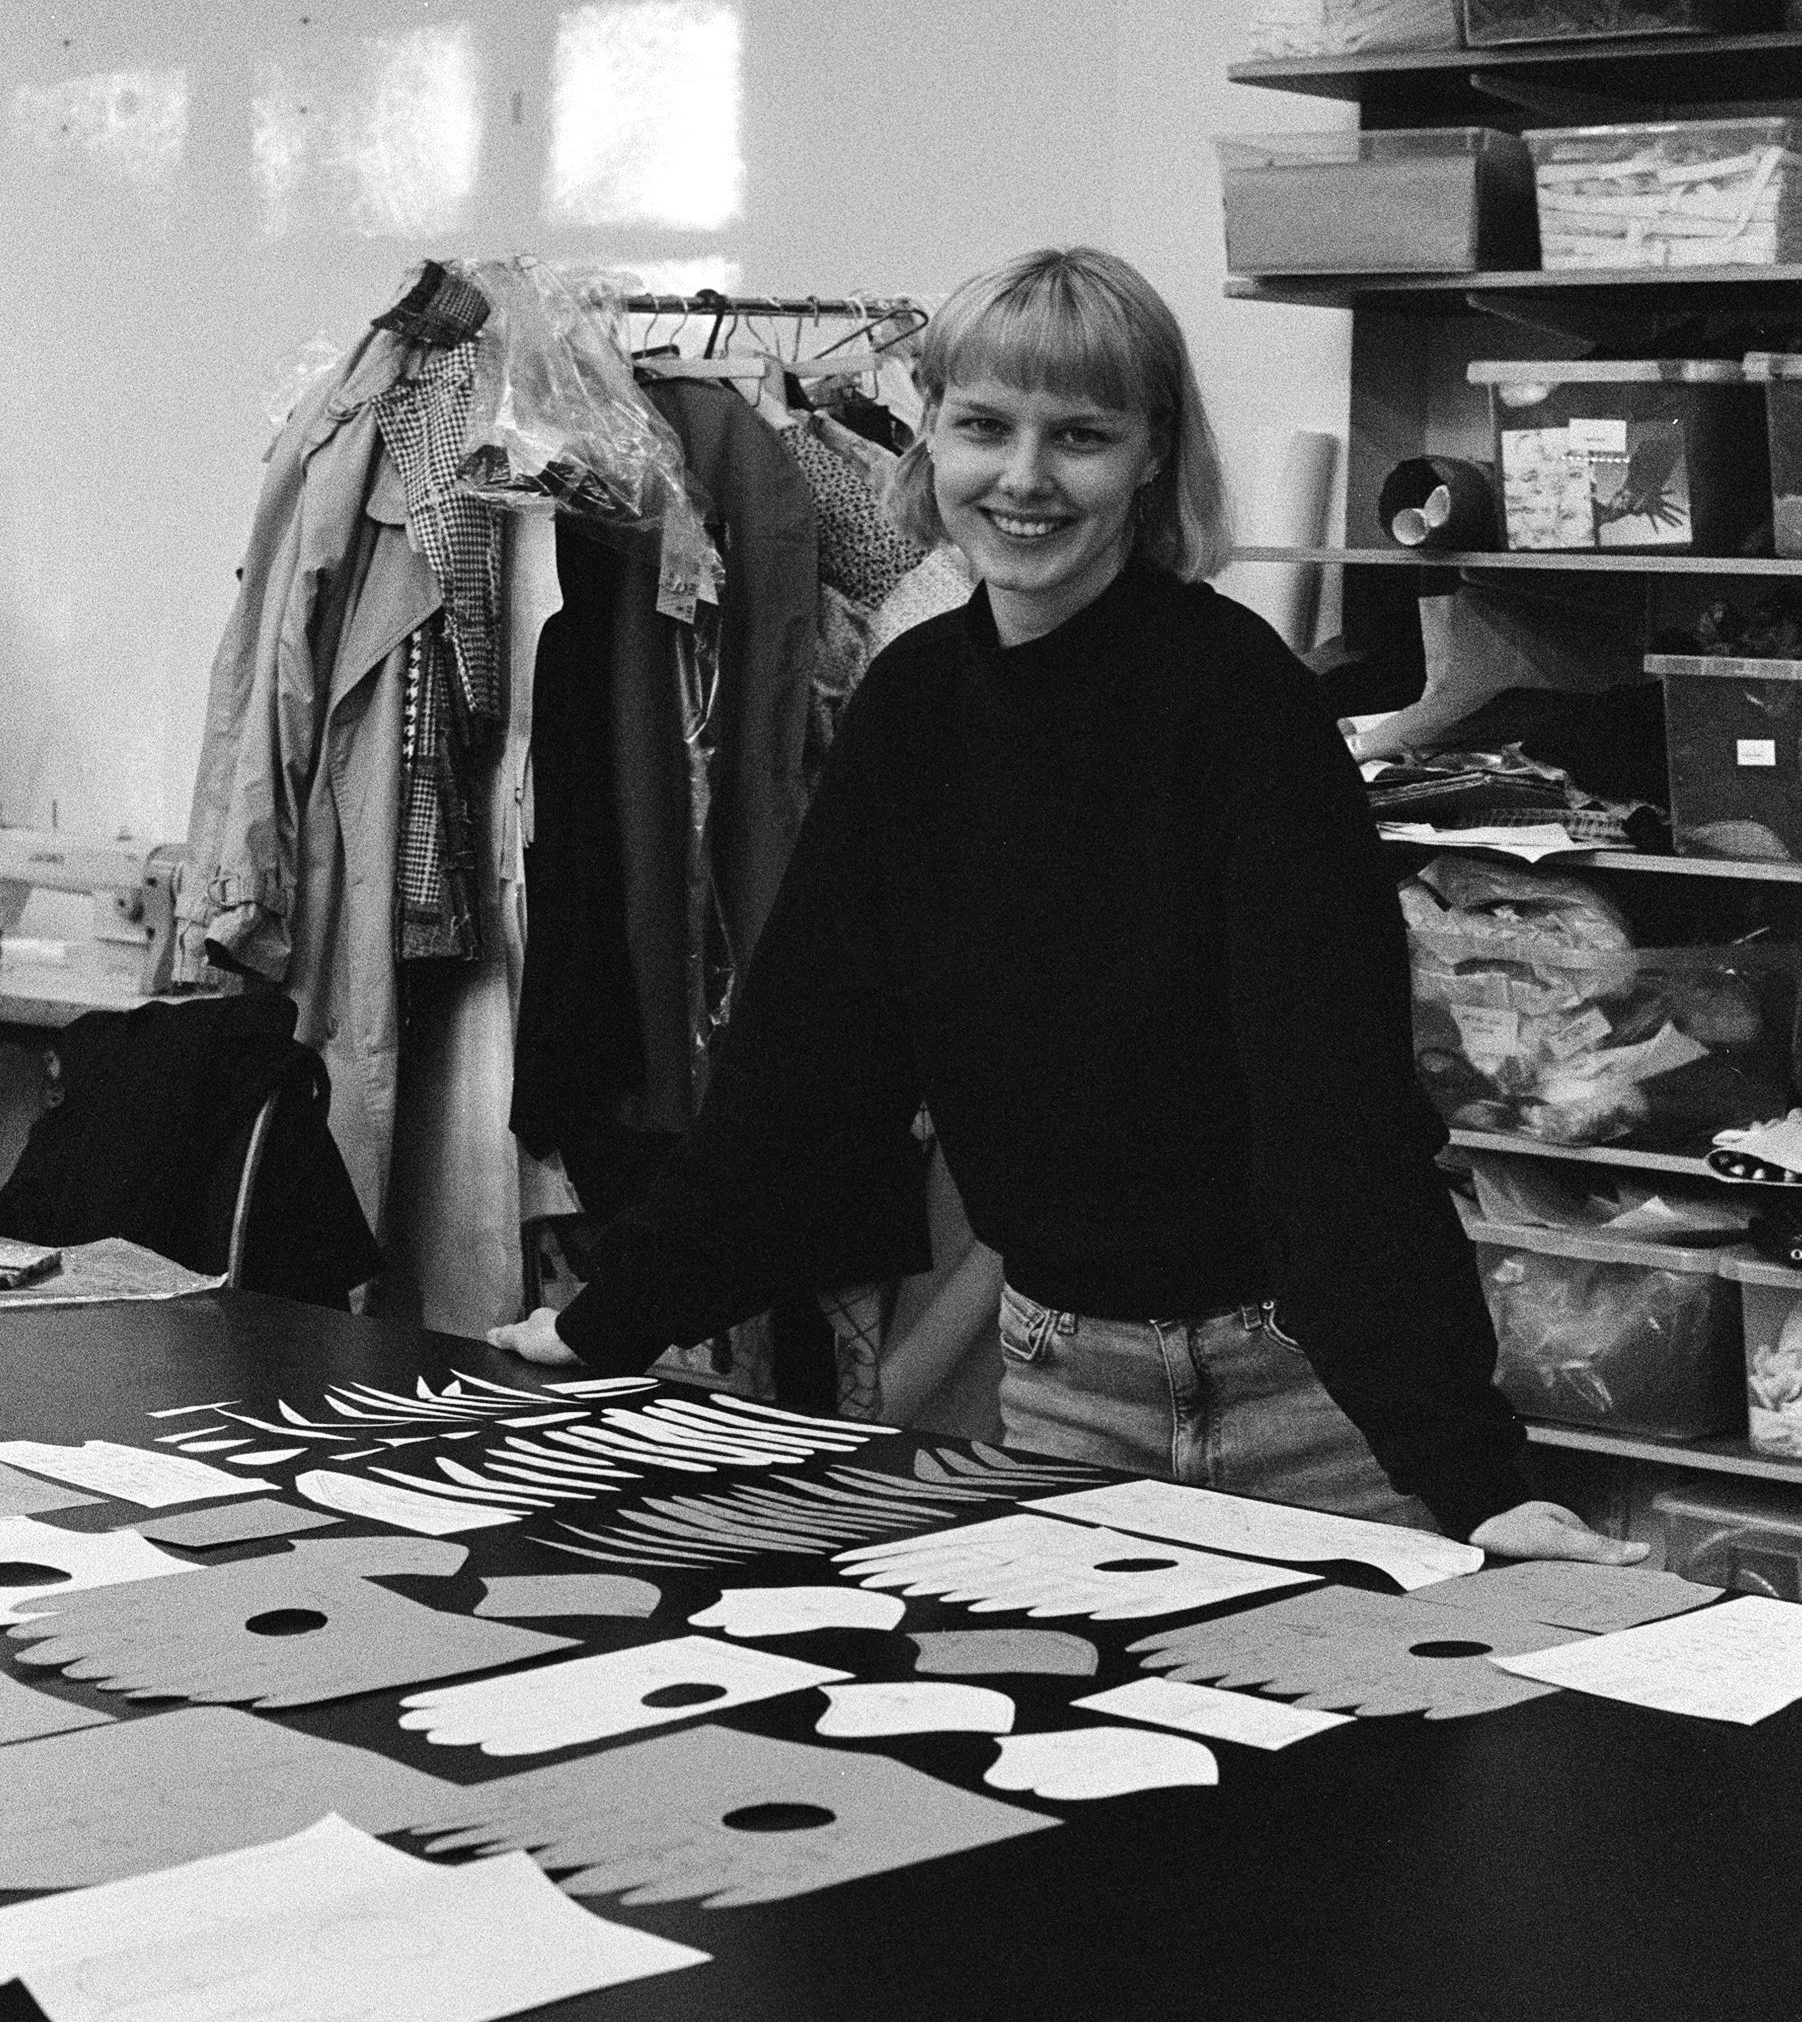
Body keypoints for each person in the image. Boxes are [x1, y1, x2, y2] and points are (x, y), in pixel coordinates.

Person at [493, 246, 1641, 1567]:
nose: (1024, 477)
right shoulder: (913, 708)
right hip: (1060, 1389)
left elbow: (1335, 1108)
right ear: (931, 436)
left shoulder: (1236, 702)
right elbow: (808, 1068)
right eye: (985, 427)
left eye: (1080, 436)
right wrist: (611, 1317)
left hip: (1313, 1406)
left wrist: (1471, 1475)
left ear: (1151, 456)